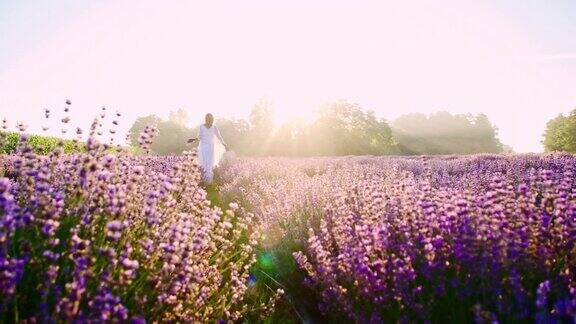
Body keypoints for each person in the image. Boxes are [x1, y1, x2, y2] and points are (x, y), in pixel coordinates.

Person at [188, 113, 228, 183]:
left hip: (211, 148)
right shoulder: (201, 127)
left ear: (212, 120)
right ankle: (205, 181)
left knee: (209, 164)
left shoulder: (214, 127)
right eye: (208, 119)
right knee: (204, 164)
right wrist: (194, 139)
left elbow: (219, 136)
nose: (210, 120)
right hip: (203, 147)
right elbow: (199, 137)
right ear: (206, 119)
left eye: (211, 119)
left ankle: (208, 181)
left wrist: (224, 144)